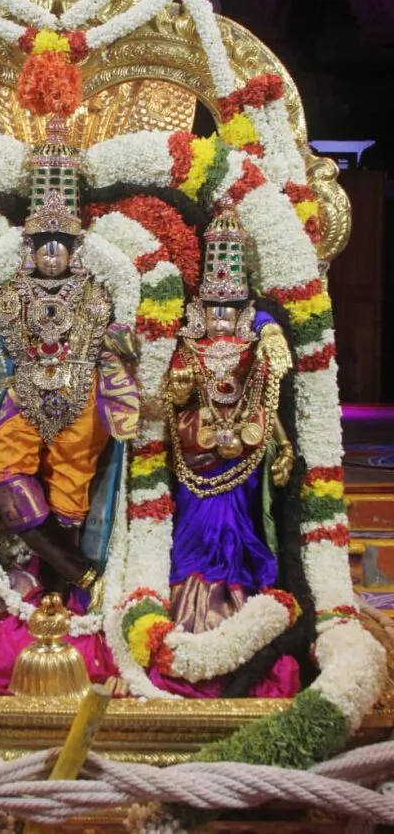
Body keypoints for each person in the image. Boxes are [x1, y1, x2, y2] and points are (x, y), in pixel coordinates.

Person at [0, 117, 140, 608]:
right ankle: (80, 574)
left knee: (71, 493)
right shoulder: (8, 292)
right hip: (22, 393)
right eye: (42, 245)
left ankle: (56, 587)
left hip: (81, 398)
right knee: (6, 476)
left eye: (58, 247)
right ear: (29, 248)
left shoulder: (94, 291)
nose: (49, 255)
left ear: (72, 250)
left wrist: (120, 346)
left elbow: (114, 342)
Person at [164, 201, 294, 634]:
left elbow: (268, 397)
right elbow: (174, 400)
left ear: (243, 313)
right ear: (201, 310)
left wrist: (284, 442)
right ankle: (191, 598)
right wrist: (179, 386)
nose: (220, 320)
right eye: (213, 311)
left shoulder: (253, 348)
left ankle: (237, 596)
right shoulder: (188, 347)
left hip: (242, 453)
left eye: (229, 311)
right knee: (194, 527)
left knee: (239, 528)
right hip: (198, 453)